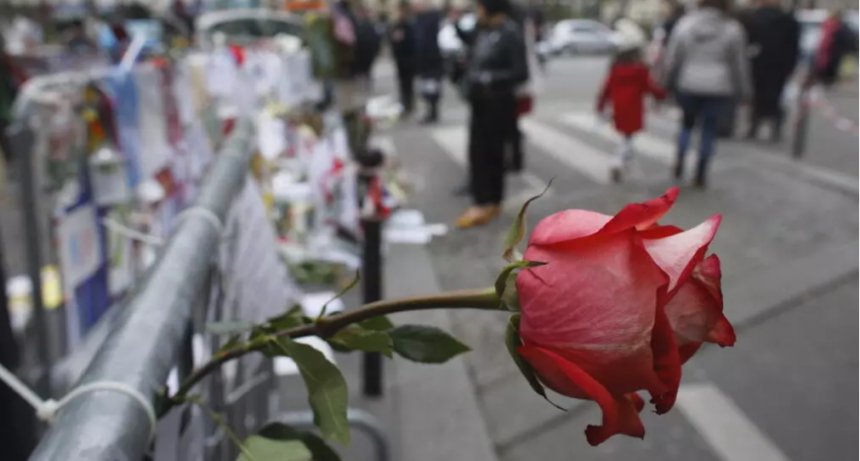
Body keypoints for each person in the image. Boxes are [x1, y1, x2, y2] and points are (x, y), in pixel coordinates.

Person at [661, 0, 752, 188]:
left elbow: (674, 56)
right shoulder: (733, 29)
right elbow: (739, 64)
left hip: (688, 83)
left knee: (686, 124)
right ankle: (701, 171)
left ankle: (680, 157)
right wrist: (744, 90)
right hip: (719, 86)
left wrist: (668, 81)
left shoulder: (685, 24)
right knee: (709, 129)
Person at [456, 0, 528, 228]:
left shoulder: (511, 34)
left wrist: (489, 78)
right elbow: (470, 45)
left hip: (498, 103)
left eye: (480, 8)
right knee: (476, 152)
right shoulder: (484, 31)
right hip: (479, 102)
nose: (477, 13)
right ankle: (482, 201)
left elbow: (521, 72)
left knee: (493, 154)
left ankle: (490, 202)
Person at [597, 32, 667, 183]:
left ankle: (624, 162)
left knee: (625, 135)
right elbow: (649, 87)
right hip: (634, 108)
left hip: (619, 107)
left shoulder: (615, 70)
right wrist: (662, 94)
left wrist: (600, 105)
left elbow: (606, 89)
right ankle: (618, 161)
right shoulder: (641, 70)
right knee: (627, 138)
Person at [743, 0, 799, 142]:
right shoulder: (789, 20)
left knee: (758, 95)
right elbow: (793, 47)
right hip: (779, 65)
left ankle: (755, 125)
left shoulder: (753, 17)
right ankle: (773, 126)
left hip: (758, 62)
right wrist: (791, 67)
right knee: (774, 96)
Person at [413, 0, 445, 124]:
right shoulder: (419, 20)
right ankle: (430, 112)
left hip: (433, 60)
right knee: (426, 89)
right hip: (424, 62)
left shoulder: (432, 19)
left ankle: (433, 112)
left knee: (433, 89)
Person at [812, 9, 857, 89]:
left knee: (828, 70)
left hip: (830, 53)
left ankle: (826, 83)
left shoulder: (832, 26)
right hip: (830, 53)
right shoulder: (835, 26)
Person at [390, 2, 417, 116]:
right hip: (400, 59)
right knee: (402, 83)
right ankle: (405, 103)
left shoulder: (410, 25)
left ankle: (409, 104)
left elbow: (414, 41)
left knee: (408, 83)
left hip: (409, 59)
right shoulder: (396, 25)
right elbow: (392, 40)